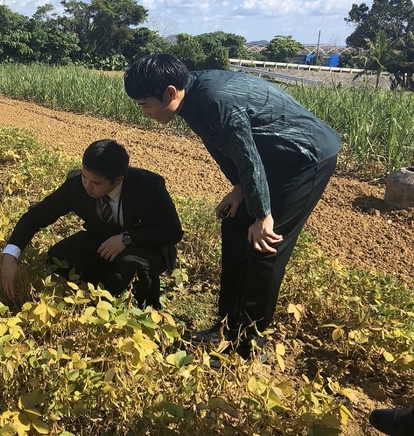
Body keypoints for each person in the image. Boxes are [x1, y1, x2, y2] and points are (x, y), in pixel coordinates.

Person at [123, 53, 340, 354]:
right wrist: (239, 189)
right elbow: (225, 146)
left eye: (144, 104)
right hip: (271, 157)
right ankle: (227, 325)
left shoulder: (215, 101)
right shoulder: (190, 96)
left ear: (169, 93)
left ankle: (248, 346)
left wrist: (263, 215)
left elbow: (249, 158)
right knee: (236, 226)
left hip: (304, 159)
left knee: (265, 247)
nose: (144, 112)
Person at [0, 139, 183, 309]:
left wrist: (127, 239)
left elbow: (173, 232)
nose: (87, 186)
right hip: (103, 240)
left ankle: (148, 311)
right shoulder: (76, 185)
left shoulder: (149, 186)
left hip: (145, 245)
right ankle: (107, 293)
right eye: (84, 177)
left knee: (132, 263)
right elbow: (36, 216)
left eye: (96, 183)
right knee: (58, 257)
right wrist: (10, 255)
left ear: (118, 180)